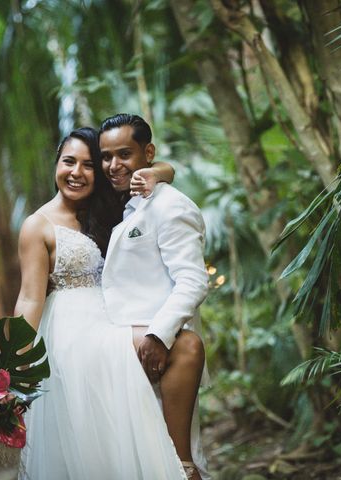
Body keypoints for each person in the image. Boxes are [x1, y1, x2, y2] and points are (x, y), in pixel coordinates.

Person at [15, 127, 188, 479]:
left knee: (182, 348)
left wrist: (154, 173)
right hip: (72, 330)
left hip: (114, 315)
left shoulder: (110, 209)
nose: (77, 172)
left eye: (89, 165)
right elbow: (30, 297)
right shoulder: (38, 225)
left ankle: (178, 459)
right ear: (56, 165)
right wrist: (14, 362)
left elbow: (167, 168)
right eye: (69, 162)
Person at [99, 114, 209, 480]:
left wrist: (158, 335)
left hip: (153, 351)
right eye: (106, 156)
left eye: (124, 154)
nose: (114, 165)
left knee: (171, 458)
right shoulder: (121, 200)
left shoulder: (170, 206)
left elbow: (193, 280)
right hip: (114, 349)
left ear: (148, 153)